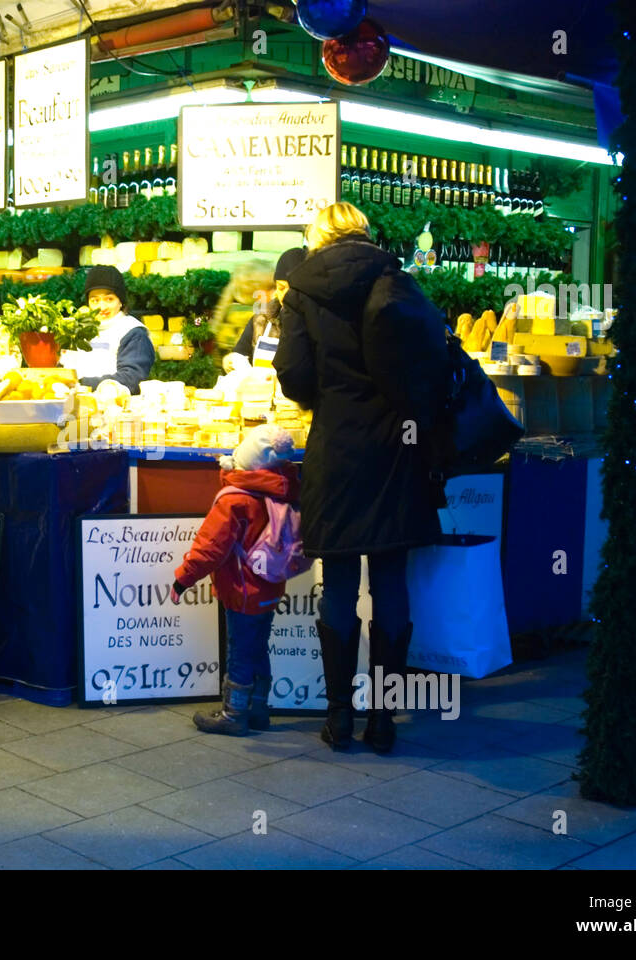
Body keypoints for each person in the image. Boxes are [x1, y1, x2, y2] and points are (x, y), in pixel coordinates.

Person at [273, 202, 447, 754]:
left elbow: (294, 374)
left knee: (340, 583)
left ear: (318, 234)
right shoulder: (399, 280)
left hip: (339, 449)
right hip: (400, 448)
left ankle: (339, 716)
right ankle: (384, 718)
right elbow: (431, 361)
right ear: (366, 232)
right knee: (391, 582)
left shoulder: (301, 290)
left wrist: (326, 395)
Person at [170, 425, 300, 736]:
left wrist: (182, 580)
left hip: (242, 591)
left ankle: (233, 714)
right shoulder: (283, 490)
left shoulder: (235, 501)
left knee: (240, 650)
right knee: (258, 647)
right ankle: (258, 710)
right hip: (271, 588)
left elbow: (209, 548)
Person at [61, 265, 155, 394]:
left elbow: (131, 379)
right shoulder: (77, 330)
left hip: (116, 407)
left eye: (109, 299)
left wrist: (80, 384)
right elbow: (63, 369)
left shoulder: (133, 332)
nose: (102, 307)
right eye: (95, 300)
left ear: (120, 301)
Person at [225, 247, 307, 370]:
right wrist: (232, 361)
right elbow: (241, 352)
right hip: (259, 388)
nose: (284, 295)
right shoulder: (263, 318)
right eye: (280, 287)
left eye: (290, 289)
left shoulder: (315, 323)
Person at [210, 260, 273, 353]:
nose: (248, 284)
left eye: (252, 282)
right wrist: (215, 329)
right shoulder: (236, 286)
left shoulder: (267, 286)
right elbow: (221, 309)